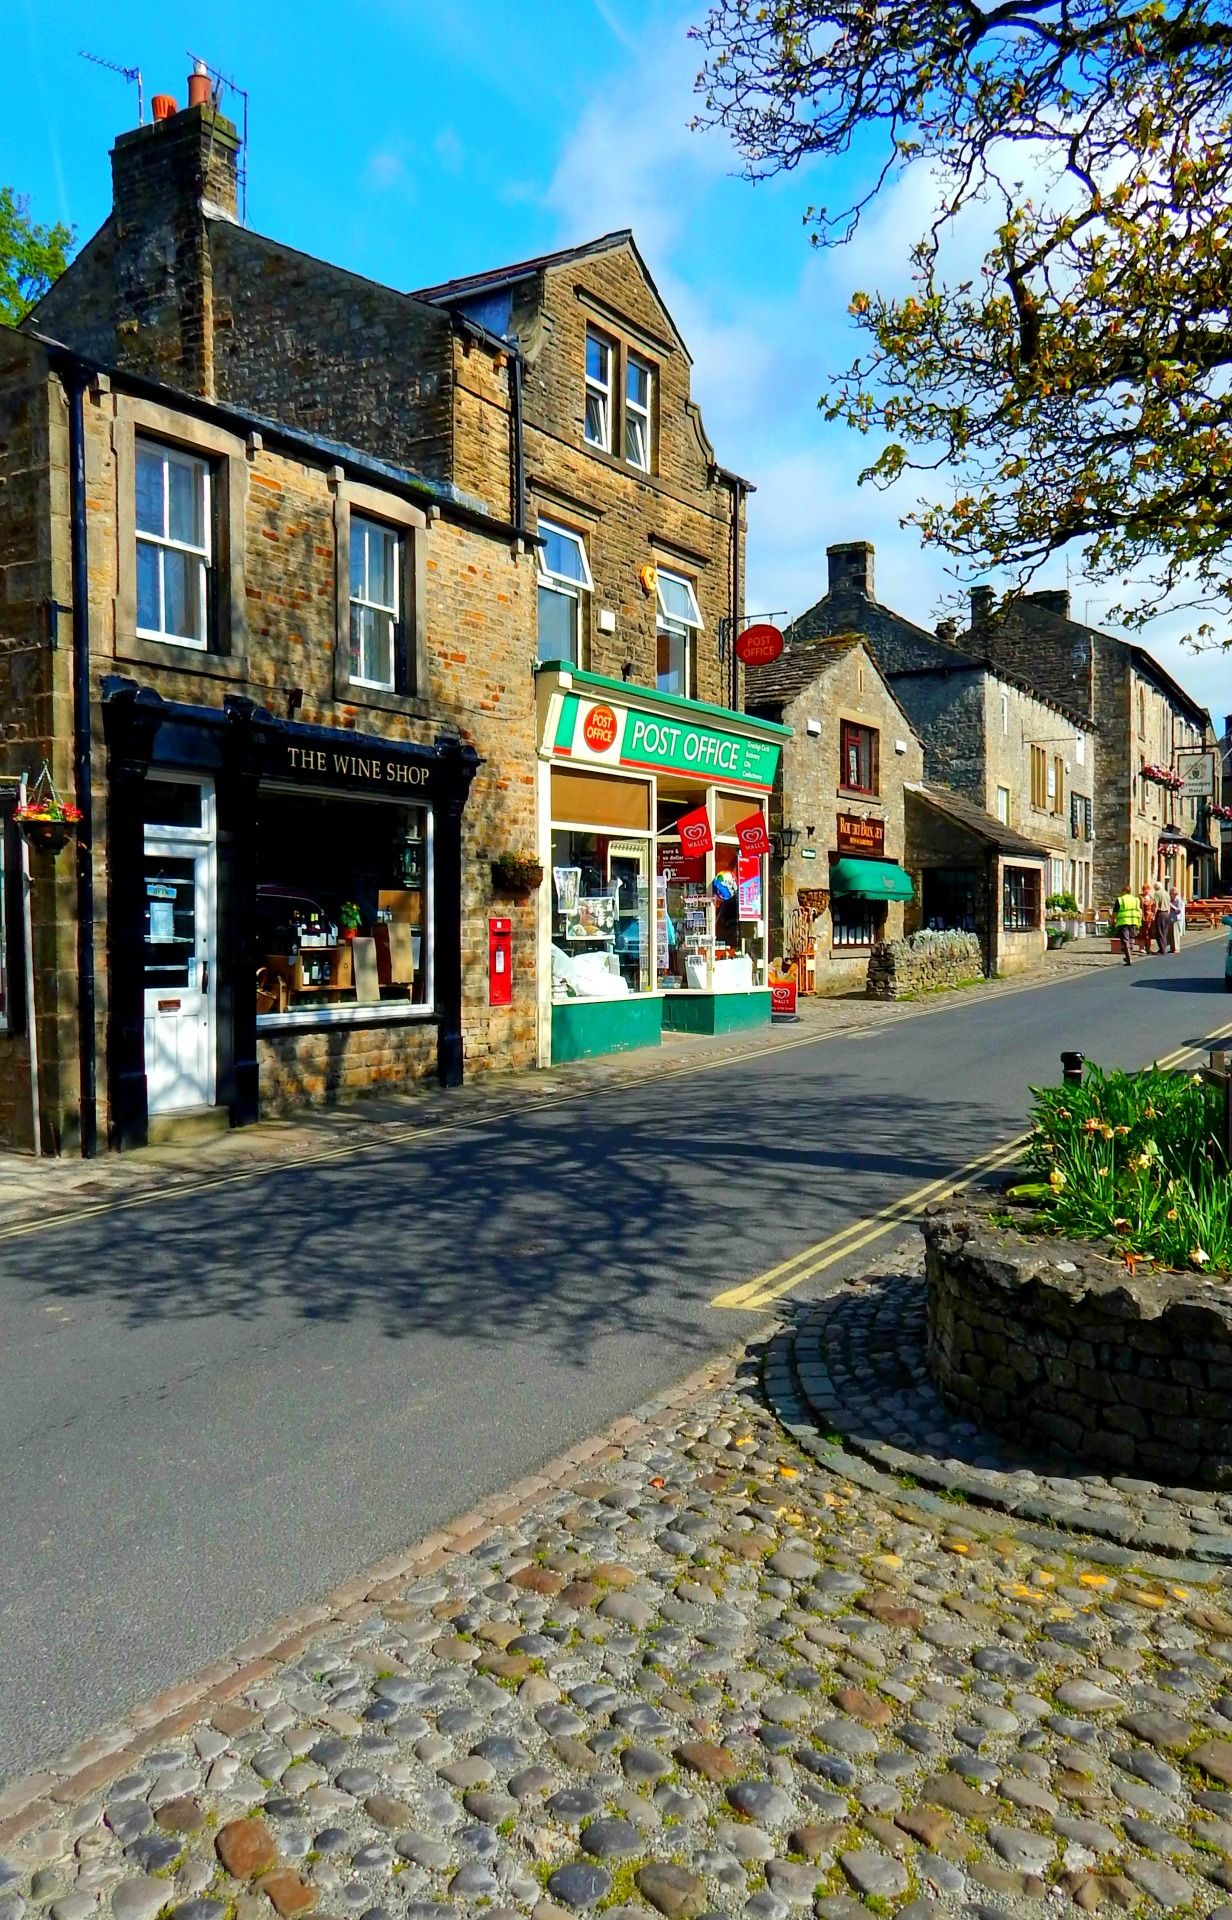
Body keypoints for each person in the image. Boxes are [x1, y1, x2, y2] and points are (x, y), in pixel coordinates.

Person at [1114, 885, 1143, 964]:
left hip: (1124, 921)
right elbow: (1140, 910)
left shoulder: (1120, 899)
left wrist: (1114, 919)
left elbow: (1115, 911)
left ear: (1124, 891)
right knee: (1131, 938)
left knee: (1125, 939)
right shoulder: (1136, 899)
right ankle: (1130, 953)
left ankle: (1128, 957)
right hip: (1134, 921)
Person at [1152, 877, 1171, 952]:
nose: (1154, 889)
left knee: (1159, 931)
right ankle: (1164, 946)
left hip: (1160, 913)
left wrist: (1153, 915)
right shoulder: (1166, 893)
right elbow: (1169, 905)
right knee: (1165, 930)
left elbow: (1156, 905)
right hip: (1166, 913)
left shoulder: (1157, 893)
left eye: (1155, 887)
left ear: (1157, 887)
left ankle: (1161, 948)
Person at [1138, 883, 1156, 953]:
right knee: (1143, 932)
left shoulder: (1151, 897)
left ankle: (1148, 948)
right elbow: (1140, 907)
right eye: (1145, 890)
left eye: (1148, 890)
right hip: (1143, 916)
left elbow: (1153, 906)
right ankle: (1141, 947)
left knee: (1149, 933)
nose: (1147, 891)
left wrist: (1153, 914)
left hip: (1150, 916)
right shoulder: (1140, 897)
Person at [1168, 883, 1185, 951]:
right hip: (1169, 918)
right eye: (1174, 894)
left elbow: (1179, 910)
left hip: (1176, 918)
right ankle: (1172, 947)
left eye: (1176, 894)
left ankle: (1176, 948)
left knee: (1175, 934)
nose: (1175, 895)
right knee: (1170, 934)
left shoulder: (1178, 900)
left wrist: (1172, 906)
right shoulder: (1169, 900)